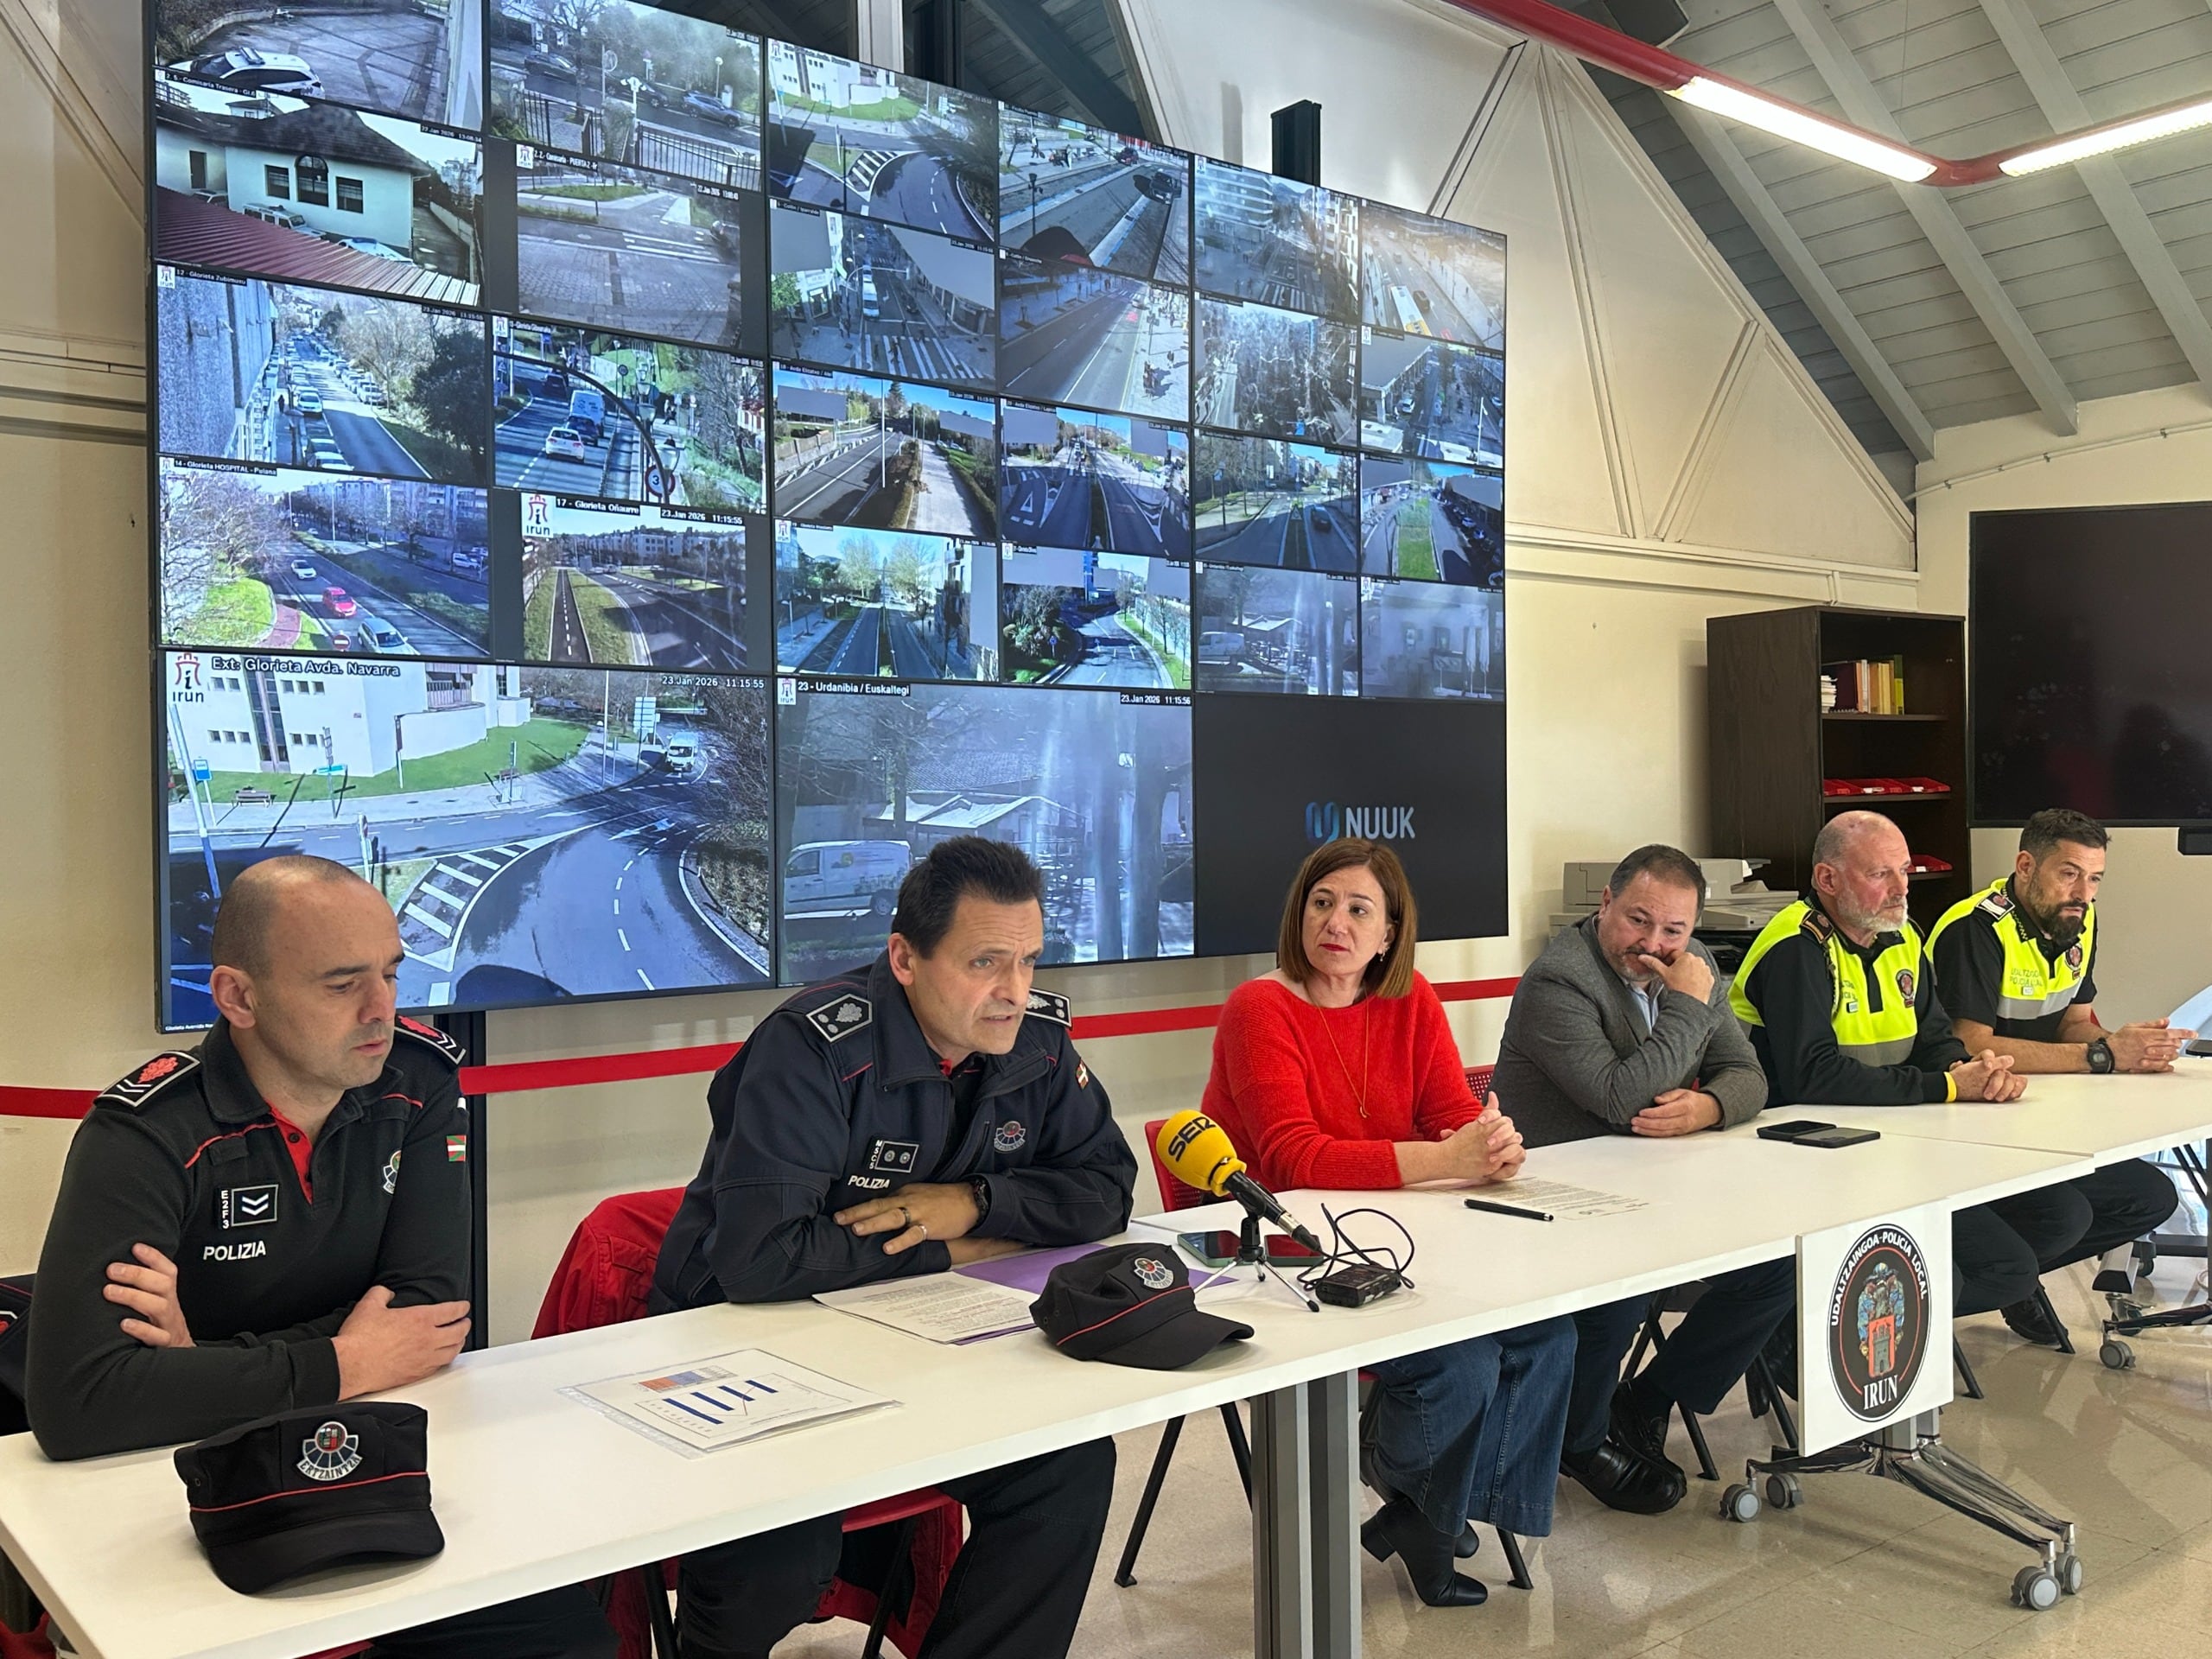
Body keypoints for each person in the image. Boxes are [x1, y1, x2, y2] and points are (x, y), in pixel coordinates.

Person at [25, 856, 613, 1658]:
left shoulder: (417, 1078)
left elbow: (431, 1316)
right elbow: (80, 1405)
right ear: (238, 996)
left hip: (373, 1466)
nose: (382, 1010)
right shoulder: (145, 1134)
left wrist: (198, 1364)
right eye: (342, 985)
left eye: (392, 974)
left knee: (568, 1634)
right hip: (189, 1493)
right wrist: (345, 1359)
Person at [652, 836, 1134, 1659]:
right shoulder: (809, 1047)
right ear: (905, 958)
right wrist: (953, 1250)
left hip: (920, 1344)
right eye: (986, 963)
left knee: (1067, 1469)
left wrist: (974, 1204)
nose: (1013, 992)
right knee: (784, 1551)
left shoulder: (1039, 1043)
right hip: (751, 1351)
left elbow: (1107, 1188)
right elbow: (761, 1259)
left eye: (1028, 962)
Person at [1200, 838, 1574, 1609]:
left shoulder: (1412, 1000)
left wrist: (1491, 1143)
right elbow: (1292, 1157)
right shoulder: (1258, 1008)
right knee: (1463, 1359)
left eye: (1358, 909)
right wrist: (1445, 1159)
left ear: (1389, 932)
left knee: (1549, 1331)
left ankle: (1425, 1512)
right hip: (1284, 1257)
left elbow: (1450, 1118)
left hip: (1401, 1236)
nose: (1335, 922)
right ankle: (1423, 1512)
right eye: (1322, 902)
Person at [1493, 845, 1791, 1516]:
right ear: (1604, 905)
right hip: (1556, 1204)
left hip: (1658, 1193)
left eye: (1673, 931)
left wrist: (1709, 1107)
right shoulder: (1558, 983)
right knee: (1624, 1288)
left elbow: (1748, 1076)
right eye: (1637, 920)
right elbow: (1618, 1097)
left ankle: (1648, 1399)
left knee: (1775, 1265)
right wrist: (1687, 1013)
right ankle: (1579, 1439)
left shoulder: (1697, 968)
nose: (1653, 944)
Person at [1731, 811, 2088, 1326]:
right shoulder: (1797, 947)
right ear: (1827, 879)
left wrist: (1974, 1072)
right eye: (1881, 875)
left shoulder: (1902, 935)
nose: (1902, 888)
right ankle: (1807, 1334)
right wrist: (1944, 1086)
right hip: (1809, 1157)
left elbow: (1934, 1039)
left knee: (2050, 1227)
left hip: (1900, 1140)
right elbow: (1812, 1076)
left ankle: (1863, 1326)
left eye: (1905, 871)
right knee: (1970, 1273)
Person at [1929, 808, 2184, 1344]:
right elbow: (1970, 1046)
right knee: (2065, 1215)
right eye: (2068, 873)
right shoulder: (1974, 928)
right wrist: (2102, 1058)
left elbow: (2073, 1022)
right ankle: (1996, 1282)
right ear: (2025, 866)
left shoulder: (2079, 919)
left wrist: (2129, 1049)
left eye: (2094, 879)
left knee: (2152, 1198)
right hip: (1969, 1120)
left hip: (2042, 1113)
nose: (2083, 892)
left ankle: (2021, 1278)